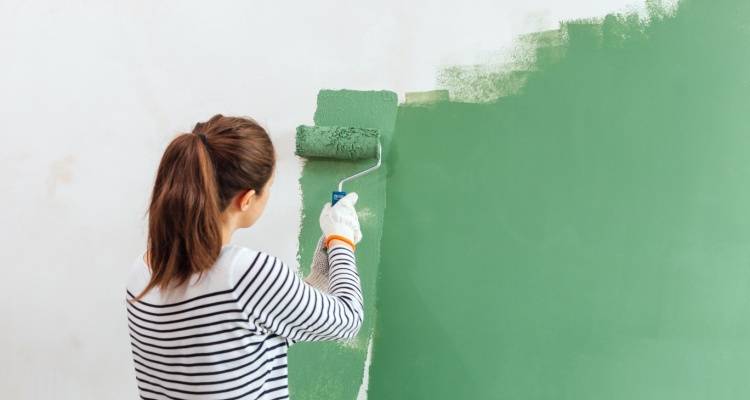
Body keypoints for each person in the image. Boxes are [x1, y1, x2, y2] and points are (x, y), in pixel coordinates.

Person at [125, 114, 364, 400]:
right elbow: (348, 319)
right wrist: (341, 239)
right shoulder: (245, 273)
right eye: (270, 188)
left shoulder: (142, 273)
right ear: (247, 199)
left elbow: (258, 331)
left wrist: (324, 262)